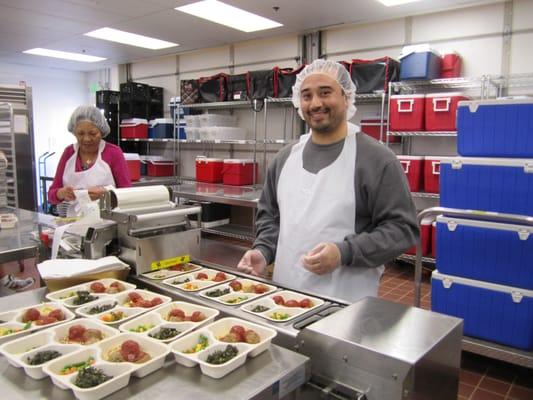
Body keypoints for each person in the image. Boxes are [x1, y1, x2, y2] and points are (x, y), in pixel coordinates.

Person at [237, 59, 418, 303]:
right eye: (307, 95)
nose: (316, 104)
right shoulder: (283, 160)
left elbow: (402, 229)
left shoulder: (375, 159)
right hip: (286, 299)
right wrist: (263, 250)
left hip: (346, 303)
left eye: (325, 93)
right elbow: (269, 217)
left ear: (346, 97)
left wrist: (344, 252)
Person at [48, 106, 131, 216]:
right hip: (73, 223)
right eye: (81, 134)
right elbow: (51, 195)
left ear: (101, 131)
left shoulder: (113, 153)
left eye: (92, 133)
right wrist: (61, 193)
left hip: (107, 222)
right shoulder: (69, 153)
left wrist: (106, 195)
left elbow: (128, 195)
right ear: (74, 132)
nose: (87, 139)